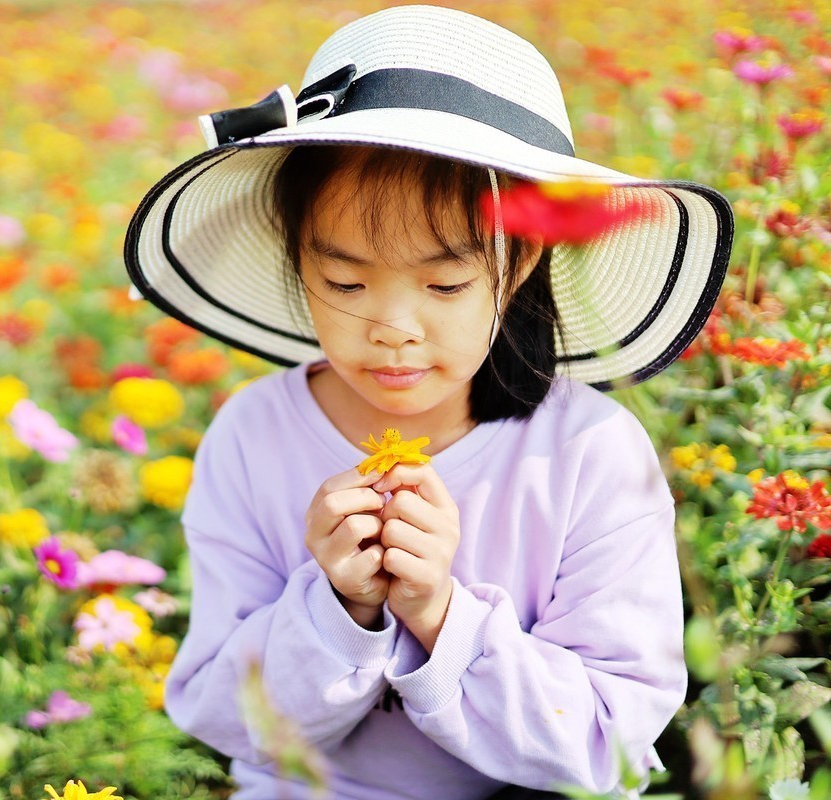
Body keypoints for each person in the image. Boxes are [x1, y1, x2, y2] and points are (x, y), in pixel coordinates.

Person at [122, 5, 732, 800]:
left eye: (445, 285)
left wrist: (440, 614)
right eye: (345, 283)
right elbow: (221, 716)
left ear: (517, 267)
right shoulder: (253, 435)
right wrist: (336, 607)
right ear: (296, 257)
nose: (393, 331)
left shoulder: (588, 454)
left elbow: (608, 745)